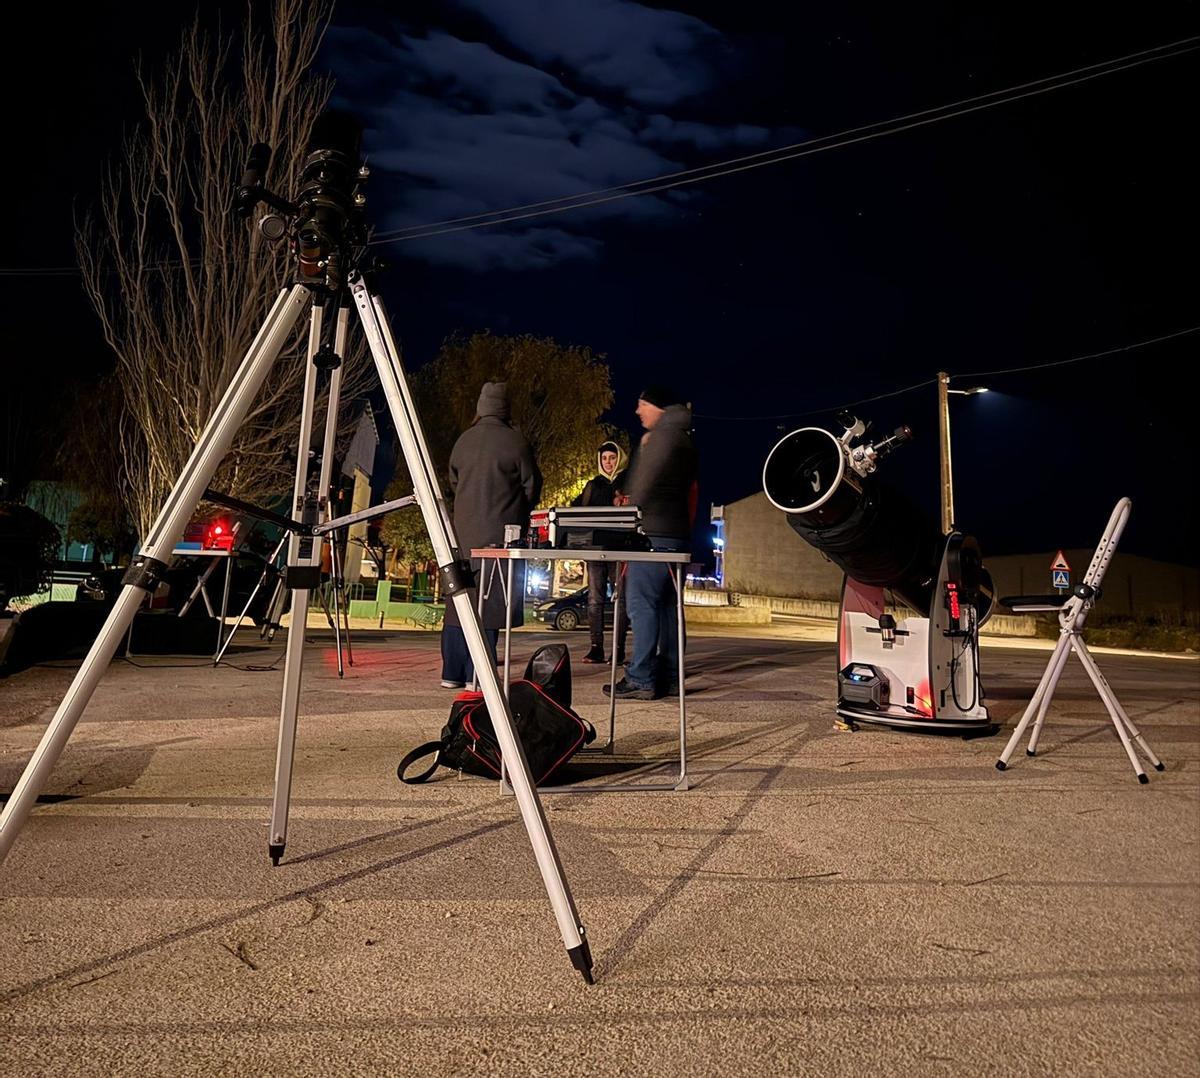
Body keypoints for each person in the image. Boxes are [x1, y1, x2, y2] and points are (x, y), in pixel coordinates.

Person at [440, 381, 541, 688]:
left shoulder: (463, 441)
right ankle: (477, 674)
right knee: (491, 601)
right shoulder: (517, 443)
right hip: (500, 534)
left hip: (463, 534)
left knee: (459, 599)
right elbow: (532, 487)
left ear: (481, 407)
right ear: (505, 408)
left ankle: (452, 673)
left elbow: (453, 482)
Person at [605, 384, 697, 700]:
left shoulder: (659, 438)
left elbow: (642, 485)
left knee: (640, 604)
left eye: (641, 404)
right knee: (669, 608)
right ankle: (671, 676)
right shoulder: (685, 438)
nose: (637, 411)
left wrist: (629, 510)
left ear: (656, 406)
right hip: (678, 534)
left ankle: (641, 677)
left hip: (654, 533)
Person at [572, 440, 631, 664]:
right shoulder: (592, 485)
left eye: (612, 458)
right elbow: (577, 507)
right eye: (604, 458)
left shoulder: (628, 482)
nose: (608, 462)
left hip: (620, 548)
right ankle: (596, 647)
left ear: (620, 459)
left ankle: (618, 649)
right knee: (595, 598)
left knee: (621, 598)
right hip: (594, 548)